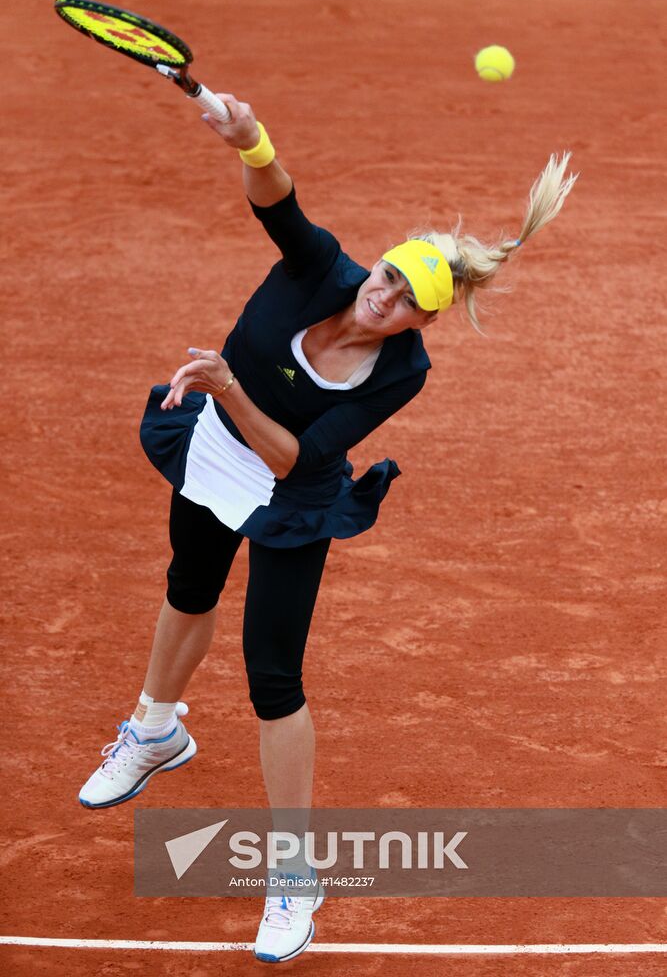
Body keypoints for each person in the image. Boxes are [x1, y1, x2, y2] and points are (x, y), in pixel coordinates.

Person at [78, 93, 577, 963]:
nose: (383, 297)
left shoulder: (401, 374)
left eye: (406, 299)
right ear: (376, 265)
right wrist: (250, 138)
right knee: (186, 587)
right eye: (387, 275)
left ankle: (293, 875)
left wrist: (229, 385)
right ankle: (156, 729)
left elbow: (296, 462)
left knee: (273, 676)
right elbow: (277, 196)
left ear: (427, 320)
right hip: (208, 446)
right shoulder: (319, 270)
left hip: (286, 494)